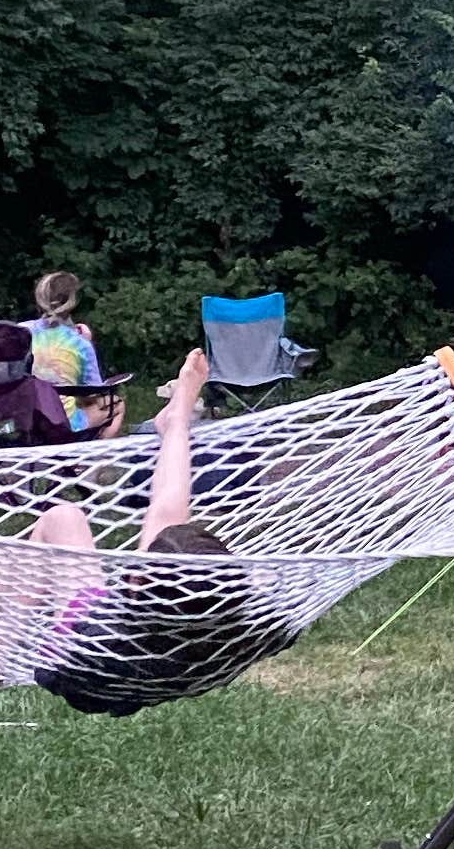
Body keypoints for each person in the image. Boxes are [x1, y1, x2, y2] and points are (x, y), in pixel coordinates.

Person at [27, 350, 295, 715]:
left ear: (135, 584)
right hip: (169, 667)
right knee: (174, 545)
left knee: (64, 517)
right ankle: (176, 423)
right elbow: (168, 519)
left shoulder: (97, 626)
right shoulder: (242, 635)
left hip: (80, 669)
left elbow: (165, 511)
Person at [29, 268, 123, 438]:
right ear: (73, 302)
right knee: (117, 404)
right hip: (64, 422)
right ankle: (87, 461)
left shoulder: (20, 332)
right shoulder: (80, 343)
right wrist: (87, 341)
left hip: (25, 419)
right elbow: (93, 392)